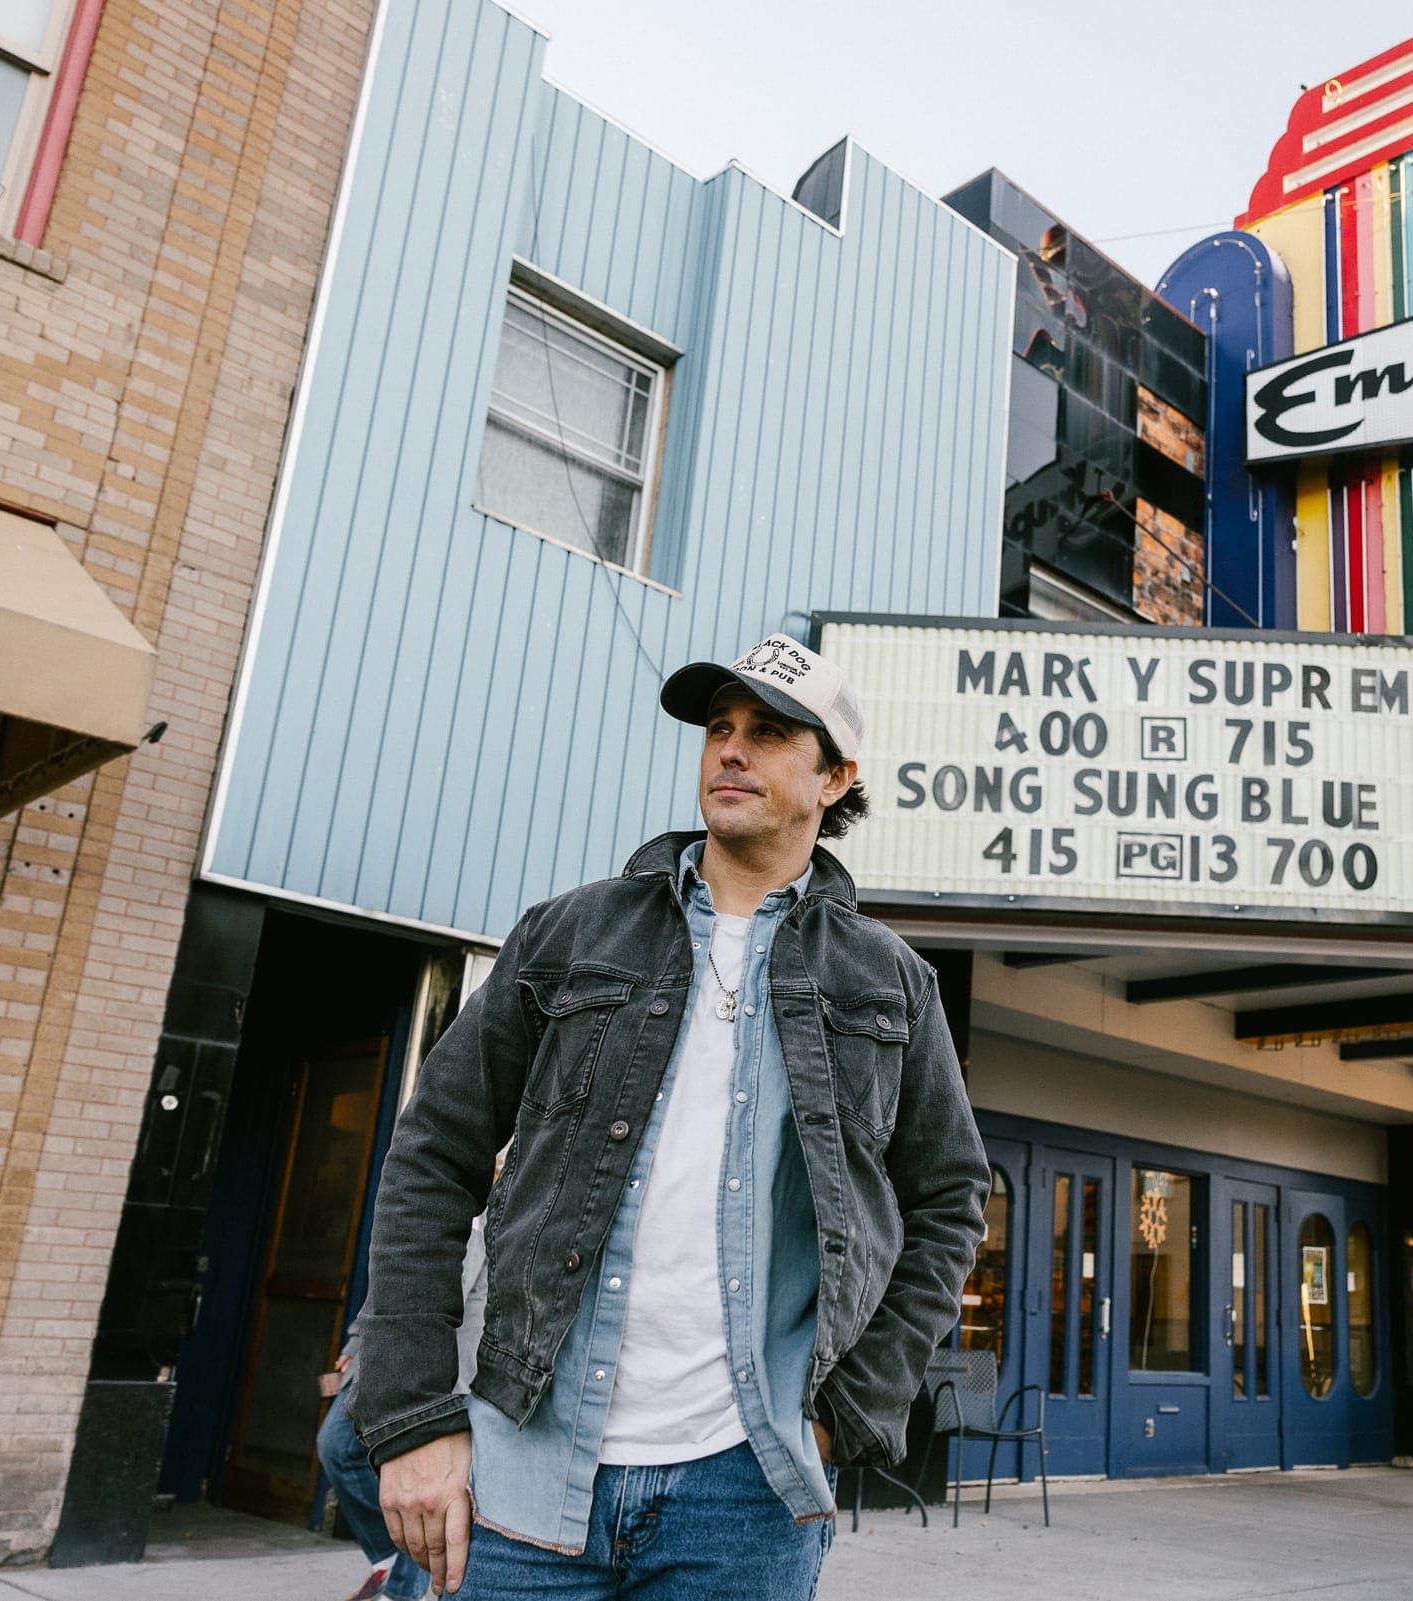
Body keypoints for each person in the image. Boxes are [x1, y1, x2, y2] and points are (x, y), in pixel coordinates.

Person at [346, 634, 990, 1598]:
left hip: (747, 1492)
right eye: (718, 728)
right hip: (525, 1471)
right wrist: (411, 1418)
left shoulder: (888, 978)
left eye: (769, 733)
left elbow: (949, 1200)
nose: (730, 750)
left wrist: (847, 1410)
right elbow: (432, 1155)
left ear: (835, 777)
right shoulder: (571, 932)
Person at [319, 1219, 488, 1601]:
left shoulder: (508, 1197)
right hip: (390, 1355)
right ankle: (389, 1559)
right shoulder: (432, 1186)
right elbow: (396, 1274)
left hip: (452, 1370)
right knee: (336, 1446)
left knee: (429, 1488)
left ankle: (401, 1590)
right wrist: (356, 1343)